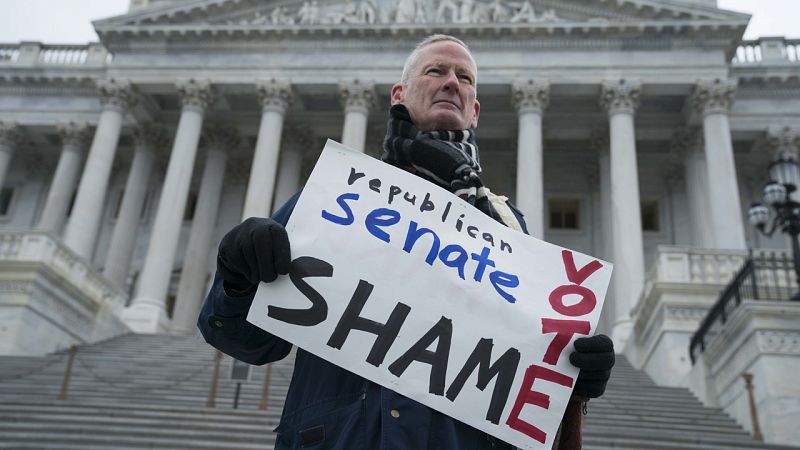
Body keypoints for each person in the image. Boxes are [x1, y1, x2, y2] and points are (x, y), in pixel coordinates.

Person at [198, 34, 614, 450]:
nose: (452, 82)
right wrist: (237, 279)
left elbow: (521, 367)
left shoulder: (505, 225)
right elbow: (249, 341)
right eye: (436, 71)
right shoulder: (338, 196)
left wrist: (572, 375)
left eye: (464, 77)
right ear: (400, 94)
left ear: (475, 113)